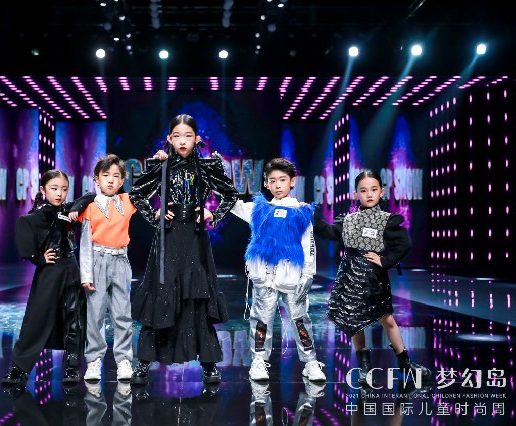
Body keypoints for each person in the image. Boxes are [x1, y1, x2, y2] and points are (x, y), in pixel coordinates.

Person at [128, 114, 239, 385]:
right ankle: (144, 362)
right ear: (169, 139)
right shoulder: (162, 165)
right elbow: (136, 194)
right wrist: (154, 213)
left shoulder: (206, 167)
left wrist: (213, 213)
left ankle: (209, 364)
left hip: (195, 237)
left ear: (196, 139)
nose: (182, 141)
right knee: (163, 290)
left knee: (197, 294)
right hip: (167, 236)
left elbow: (230, 194)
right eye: (176, 136)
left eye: (187, 136)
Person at [313, 170, 432, 385]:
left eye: (374, 189)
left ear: (382, 192)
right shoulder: (348, 220)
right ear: (356, 194)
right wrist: (311, 216)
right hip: (350, 276)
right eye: (364, 190)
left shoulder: (386, 220)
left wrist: (385, 261)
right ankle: (364, 368)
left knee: (387, 319)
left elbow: (404, 244)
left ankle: (405, 364)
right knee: (354, 321)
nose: (369, 194)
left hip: (373, 278)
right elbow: (328, 232)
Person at [230, 158, 326, 382]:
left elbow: (308, 245)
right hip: (264, 276)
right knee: (261, 320)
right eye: (272, 180)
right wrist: (217, 178)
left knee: (300, 320)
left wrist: (308, 275)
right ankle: (258, 360)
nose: (277, 185)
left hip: (292, 275)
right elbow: (233, 204)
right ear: (266, 183)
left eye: (282, 180)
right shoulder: (259, 210)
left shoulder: (301, 212)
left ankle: (310, 362)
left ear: (292, 181)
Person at [2, 170, 94, 387]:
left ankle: (72, 366)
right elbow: (25, 241)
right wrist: (39, 259)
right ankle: (19, 367)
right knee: (37, 318)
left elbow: (90, 196)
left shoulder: (67, 210)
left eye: (64, 189)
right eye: (54, 189)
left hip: (71, 269)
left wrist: (75, 208)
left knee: (74, 318)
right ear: (43, 190)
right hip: (50, 272)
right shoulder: (36, 216)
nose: (59, 193)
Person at [72, 154, 137, 382]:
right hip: (97, 261)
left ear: (122, 181)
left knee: (123, 314)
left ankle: (124, 360)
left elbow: (148, 187)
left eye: (116, 176)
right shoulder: (89, 207)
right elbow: (85, 243)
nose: (110, 180)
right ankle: (93, 360)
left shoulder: (127, 202)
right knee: (95, 315)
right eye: (105, 175)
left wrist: (160, 161)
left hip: (120, 261)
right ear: (96, 179)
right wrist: (86, 275)